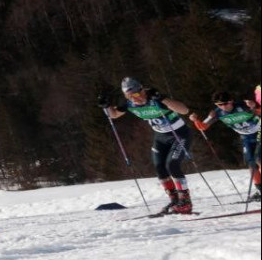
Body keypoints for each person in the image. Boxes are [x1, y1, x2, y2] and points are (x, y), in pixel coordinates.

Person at [99, 77, 195, 214]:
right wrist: (106, 106)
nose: (134, 99)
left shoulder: (154, 98)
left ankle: (185, 203)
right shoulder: (129, 104)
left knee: (172, 165)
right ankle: (175, 200)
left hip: (179, 134)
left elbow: (184, 110)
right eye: (129, 96)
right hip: (160, 137)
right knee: (159, 168)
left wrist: (162, 98)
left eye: (136, 94)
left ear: (142, 90)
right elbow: (113, 115)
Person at [189, 90, 261, 198]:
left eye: (226, 103)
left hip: (259, 131)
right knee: (251, 164)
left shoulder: (242, 105)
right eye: (219, 104)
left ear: (231, 101)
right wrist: (195, 120)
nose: (223, 107)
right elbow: (203, 127)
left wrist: (254, 106)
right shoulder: (217, 113)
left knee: (259, 159)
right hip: (246, 137)